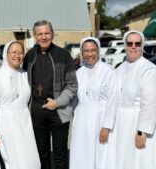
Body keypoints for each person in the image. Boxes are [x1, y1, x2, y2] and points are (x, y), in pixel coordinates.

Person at [108, 30, 156, 169]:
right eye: (130, 43)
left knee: (141, 161)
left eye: (137, 43)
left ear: (142, 45)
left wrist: (142, 131)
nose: (133, 46)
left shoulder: (149, 70)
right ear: (125, 45)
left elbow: (151, 104)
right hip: (123, 123)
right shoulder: (120, 68)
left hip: (140, 124)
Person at [22, 20, 78, 169]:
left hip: (59, 111)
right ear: (34, 36)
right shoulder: (29, 56)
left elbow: (72, 86)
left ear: (52, 34)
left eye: (47, 33)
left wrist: (57, 102)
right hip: (36, 110)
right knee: (41, 154)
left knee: (60, 155)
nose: (44, 37)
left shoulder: (64, 55)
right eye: (40, 34)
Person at [0, 41, 41, 169]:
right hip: (6, 124)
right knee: (10, 161)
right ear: (6, 54)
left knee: (29, 161)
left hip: (25, 124)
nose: (18, 55)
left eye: (21, 52)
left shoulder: (26, 75)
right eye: (14, 52)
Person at [69, 37, 116, 169]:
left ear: (99, 51)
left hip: (100, 119)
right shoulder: (78, 73)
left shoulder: (109, 71)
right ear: (81, 53)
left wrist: (106, 127)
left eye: (93, 50)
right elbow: (75, 100)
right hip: (82, 121)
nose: (89, 54)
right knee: (82, 154)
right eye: (86, 51)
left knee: (101, 155)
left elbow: (113, 101)